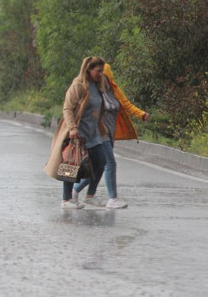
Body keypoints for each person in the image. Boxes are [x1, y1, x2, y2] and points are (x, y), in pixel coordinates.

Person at [72, 63, 149, 209]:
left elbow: (126, 105)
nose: (102, 79)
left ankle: (80, 193)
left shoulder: (114, 90)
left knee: (99, 165)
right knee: (110, 163)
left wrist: (141, 114)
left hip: (110, 133)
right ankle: (113, 198)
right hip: (98, 133)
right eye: (100, 76)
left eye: (105, 76)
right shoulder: (93, 92)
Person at [45, 56, 109, 209]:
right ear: (88, 70)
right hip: (78, 132)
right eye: (98, 71)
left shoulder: (99, 85)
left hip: (92, 133)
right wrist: (72, 128)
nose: (101, 74)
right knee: (71, 165)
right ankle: (66, 200)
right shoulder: (78, 85)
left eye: (102, 71)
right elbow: (67, 108)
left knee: (101, 161)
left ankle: (90, 195)